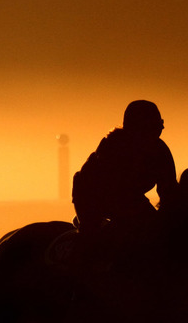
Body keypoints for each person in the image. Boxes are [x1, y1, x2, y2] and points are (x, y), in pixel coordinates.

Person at [72, 100, 177, 243]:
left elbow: (168, 191)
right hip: (92, 197)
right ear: (136, 129)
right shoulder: (114, 147)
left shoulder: (160, 150)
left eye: (160, 124)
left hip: (130, 198)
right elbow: (114, 193)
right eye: (153, 126)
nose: (161, 129)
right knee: (92, 240)